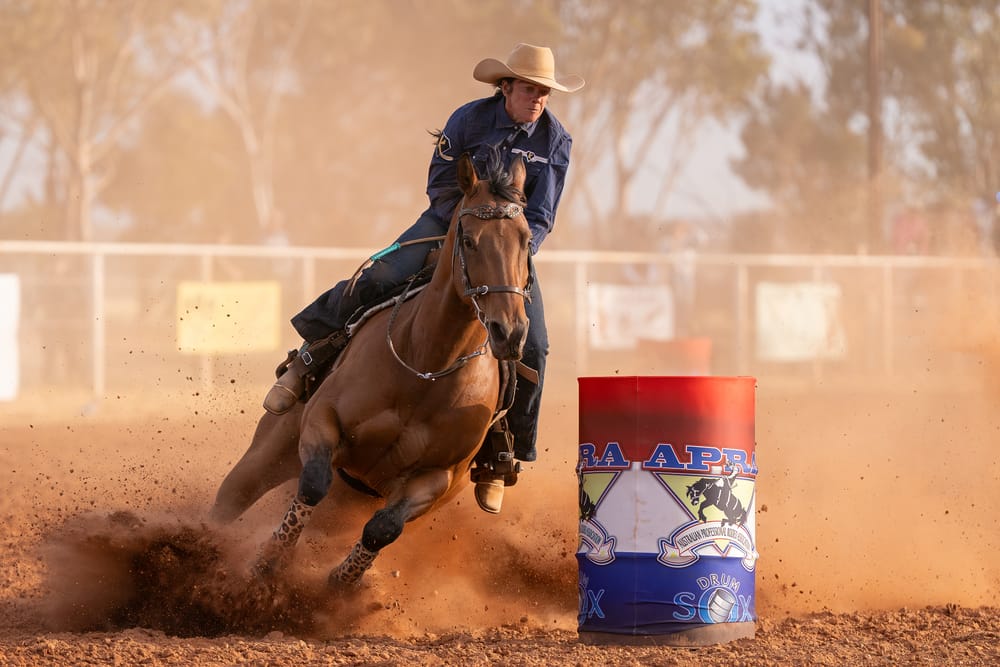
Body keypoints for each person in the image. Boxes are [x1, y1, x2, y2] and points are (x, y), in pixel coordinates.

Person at [263, 43, 584, 515]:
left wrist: (510, 246)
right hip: (446, 222)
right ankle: (307, 361)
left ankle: (503, 453)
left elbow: (542, 214)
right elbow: (439, 183)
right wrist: (466, 227)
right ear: (507, 86)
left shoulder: (556, 141)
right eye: (531, 88)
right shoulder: (468, 120)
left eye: (545, 92)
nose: (538, 98)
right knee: (378, 276)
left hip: (506, 246)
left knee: (533, 343)